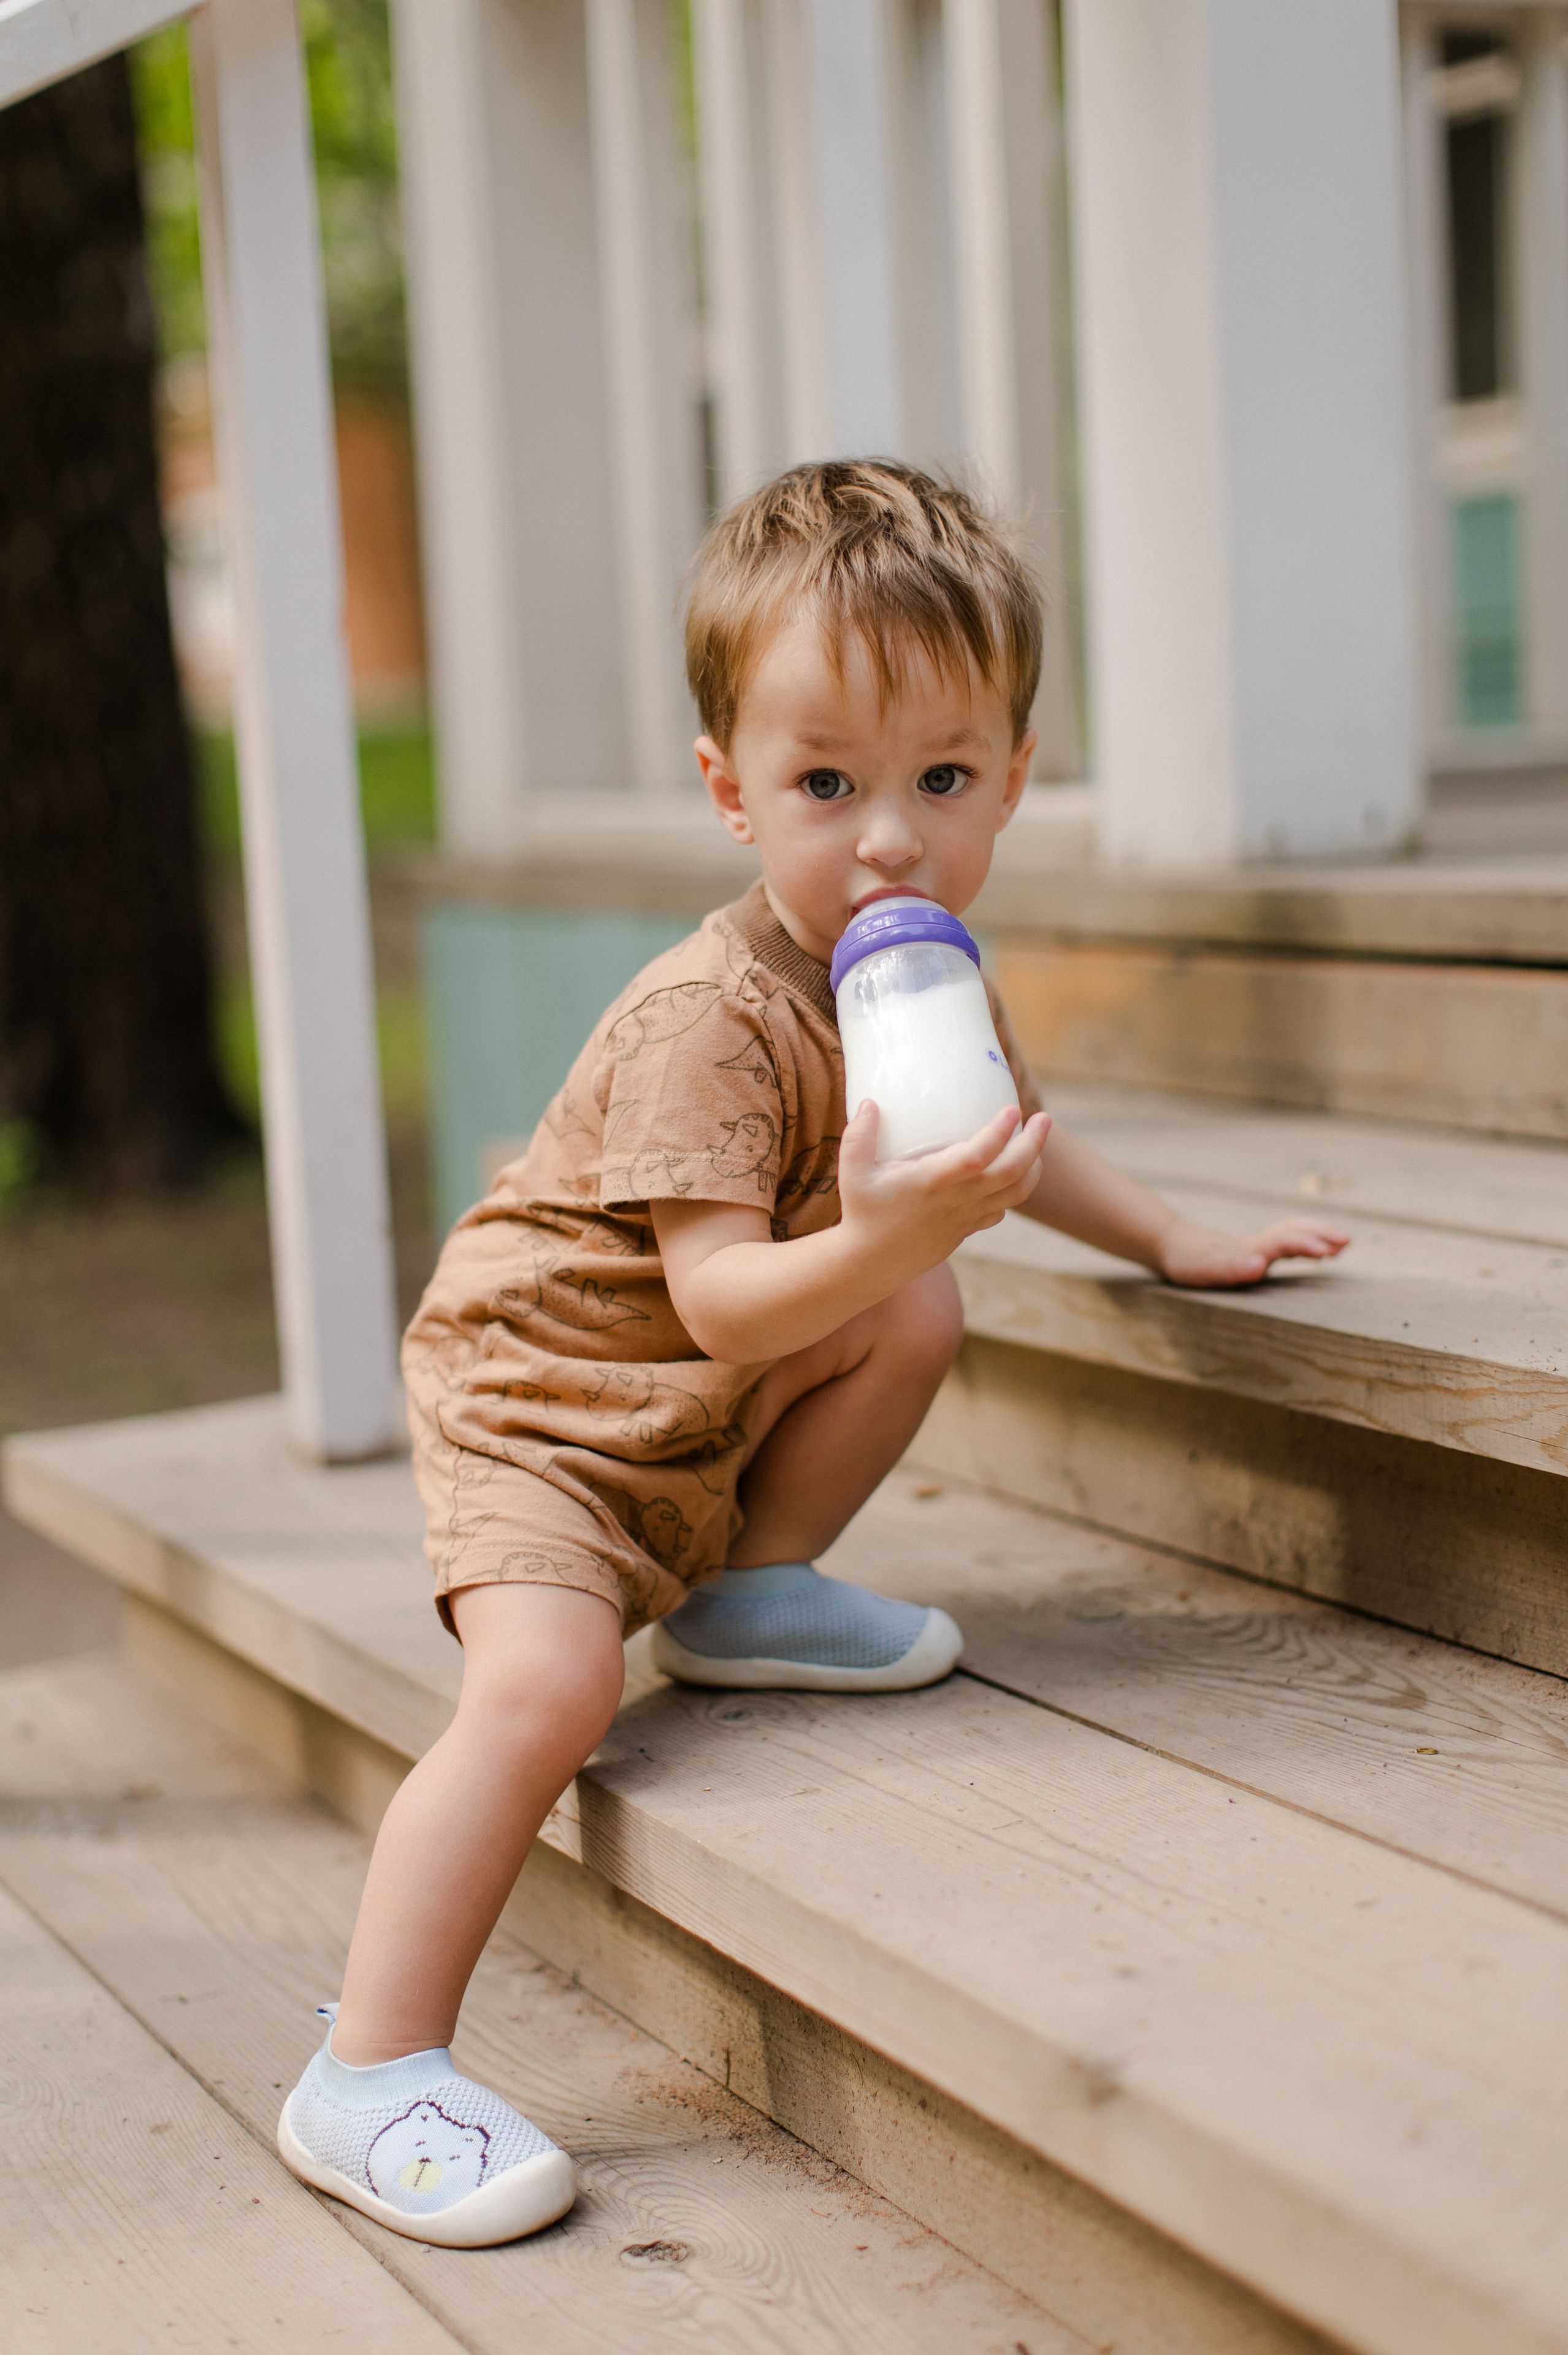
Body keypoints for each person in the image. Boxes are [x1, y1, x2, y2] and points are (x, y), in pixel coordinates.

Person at [277, 461, 1349, 2245]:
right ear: (731, 792)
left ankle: (748, 1589)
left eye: (942, 778)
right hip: (548, 1404)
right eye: (826, 785)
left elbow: (1009, 1135)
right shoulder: (714, 1018)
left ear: (1017, 773)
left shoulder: (915, 965)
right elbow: (720, 1306)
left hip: (696, 1390)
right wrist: (880, 1236)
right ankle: (369, 2067)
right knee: (545, 1697)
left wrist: (1169, 1235)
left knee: (915, 1303)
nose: (888, 838)